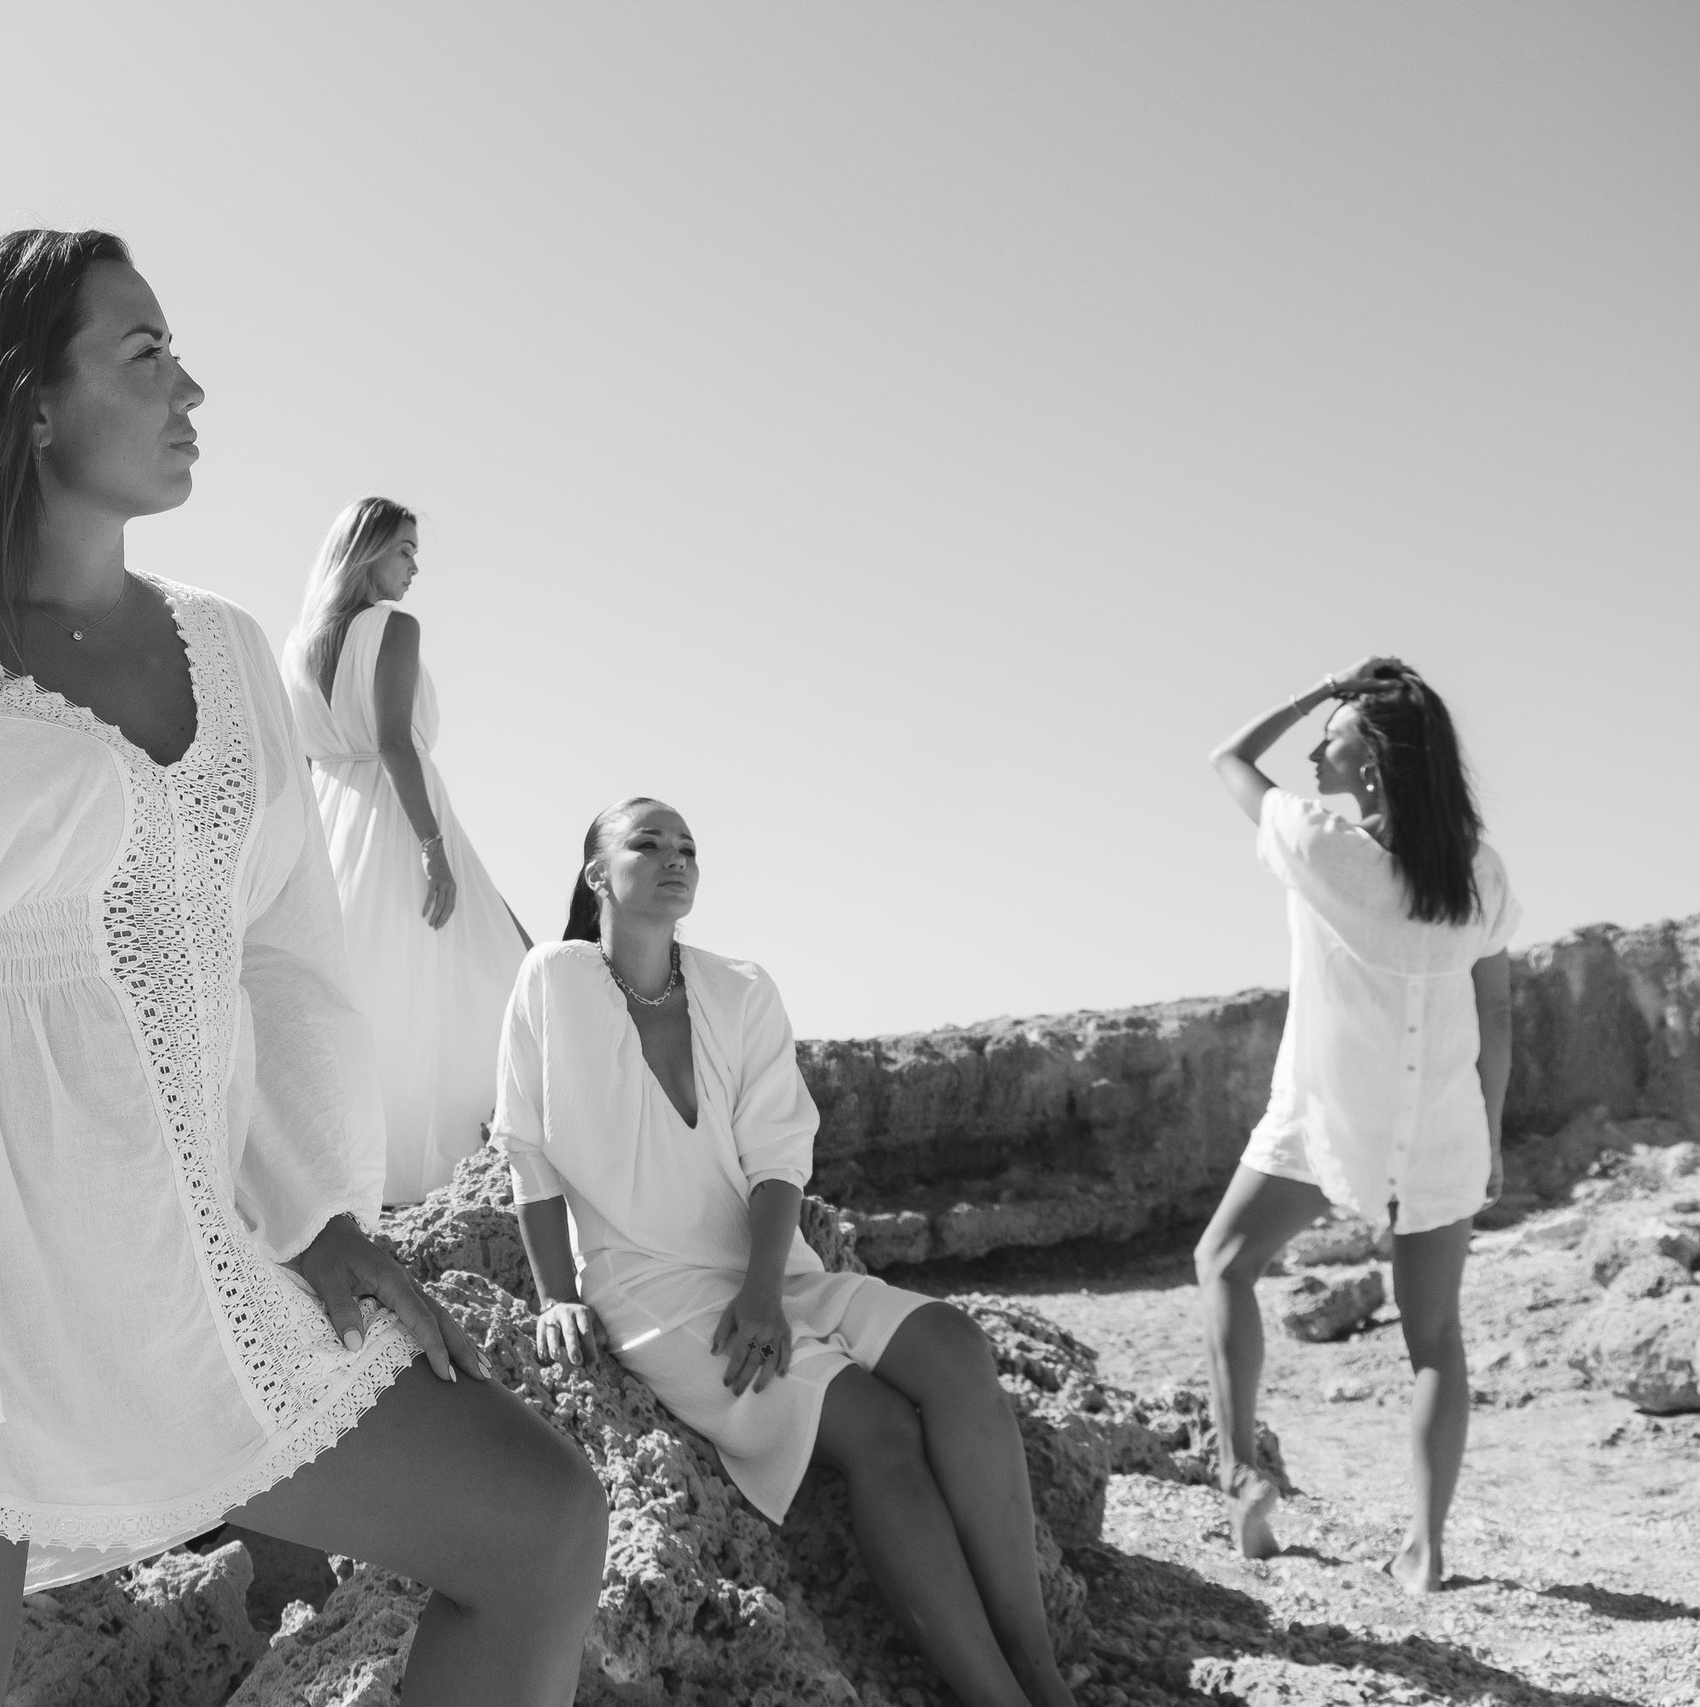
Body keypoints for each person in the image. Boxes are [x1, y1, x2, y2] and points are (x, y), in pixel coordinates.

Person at [0, 231, 605, 1707]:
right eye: (145, 354)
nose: (191, 384)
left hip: (180, 1270)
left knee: (542, 1522)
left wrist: (316, 1208)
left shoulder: (230, 653)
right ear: (29, 405)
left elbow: (291, 963)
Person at [495, 798, 1080, 1707]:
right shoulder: (553, 979)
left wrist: (768, 1288)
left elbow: (777, 1159)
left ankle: (1041, 1671)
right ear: (595, 874)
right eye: (647, 843)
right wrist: (554, 1294)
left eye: (688, 846)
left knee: (957, 1349)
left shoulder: (742, 988)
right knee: (880, 1429)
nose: (674, 858)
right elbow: (526, 1149)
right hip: (656, 1290)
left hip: (776, 1268)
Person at [1196, 657, 1518, 1591]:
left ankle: (1240, 1469)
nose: (1312, 748)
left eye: (1331, 734)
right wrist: (1491, 1132)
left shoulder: (1319, 842)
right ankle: (1425, 1549)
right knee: (1434, 1340)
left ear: (1371, 756)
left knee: (1225, 1262)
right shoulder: (1478, 871)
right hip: (1445, 1124)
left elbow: (1226, 755)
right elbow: (1495, 1015)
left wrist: (1320, 682)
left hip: (1328, 1111)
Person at [283, 499, 529, 1203]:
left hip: (330, 823)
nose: (415, 567)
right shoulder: (393, 628)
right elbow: (394, 742)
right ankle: (458, 1170)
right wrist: (432, 846)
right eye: (405, 551)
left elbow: (300, 761)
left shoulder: (297, 642)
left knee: (370, 989)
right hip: (398, 814)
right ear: (367, 552)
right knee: (487, 972)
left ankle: (362, 1173)